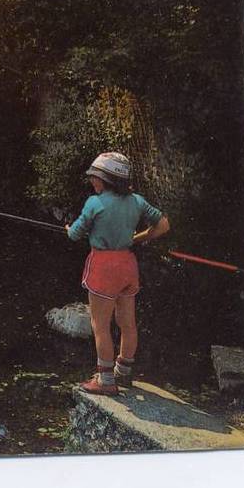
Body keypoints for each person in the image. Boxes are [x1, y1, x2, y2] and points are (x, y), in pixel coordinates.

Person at [64, 152, 170, 395]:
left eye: (94, 176)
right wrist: (139, 238)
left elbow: (74, 234)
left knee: (100, 326)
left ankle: (105, 381)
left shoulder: (94, 203)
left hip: (103, 266)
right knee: (127, 324)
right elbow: (163, 225)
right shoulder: (137, 201)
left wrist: (69, 228)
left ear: (105, 179)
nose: (92, 181)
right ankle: (124, 373)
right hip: (127, 265)